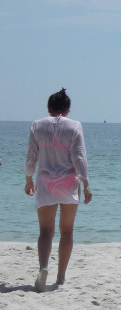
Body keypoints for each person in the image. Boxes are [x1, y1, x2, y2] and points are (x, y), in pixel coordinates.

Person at [24, 88, 92, 292]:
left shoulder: (37, 125)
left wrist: (28, 179)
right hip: (69, 183)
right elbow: (79, 157)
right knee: (67, 230)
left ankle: (43, 267)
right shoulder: (74, 126)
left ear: (49, 108)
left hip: (45, 182)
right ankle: (61, 276)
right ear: (68, 109)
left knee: (45, 231)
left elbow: (31, 156)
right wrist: (86, 183)